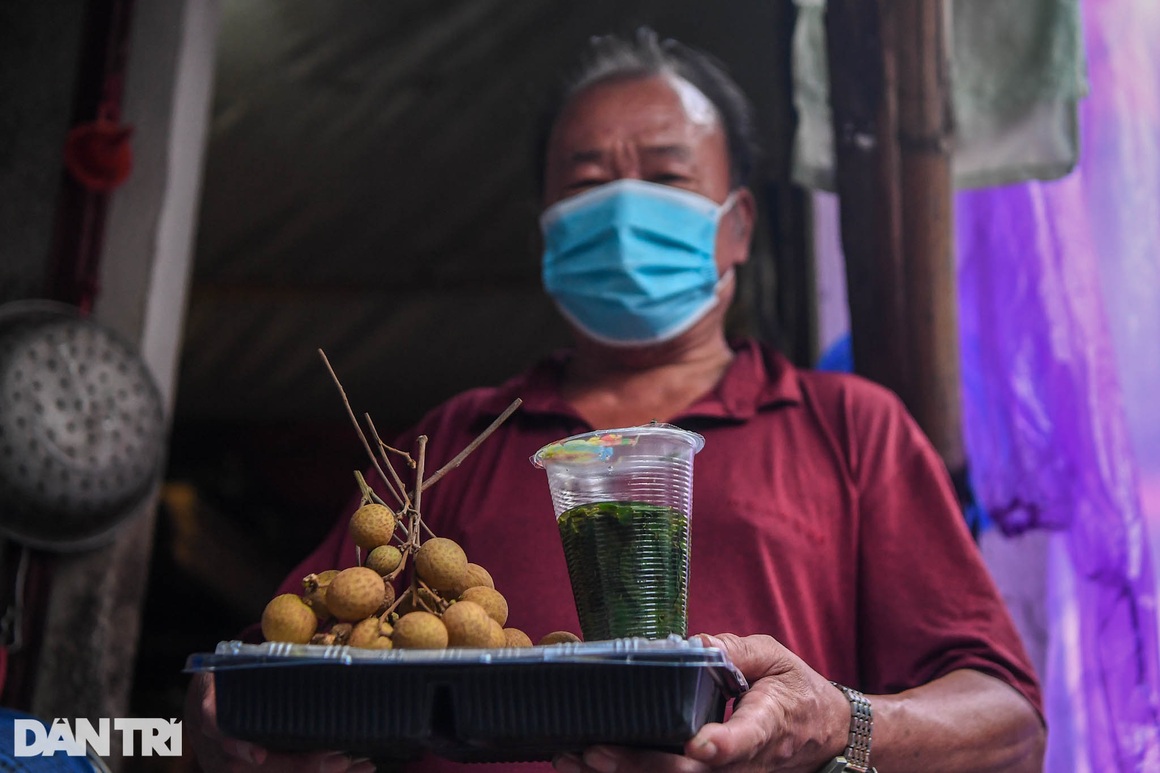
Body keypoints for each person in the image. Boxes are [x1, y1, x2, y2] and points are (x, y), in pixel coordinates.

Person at [187, 28, 1046, 773]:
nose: (624, 209)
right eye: (588, 180)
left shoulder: (850, 426)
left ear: (738, 224)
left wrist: (839, 722)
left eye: (667, 177)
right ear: (549, 226)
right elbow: (267, 665)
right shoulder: (446, 444)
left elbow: (1010, 728)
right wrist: (231, 727)